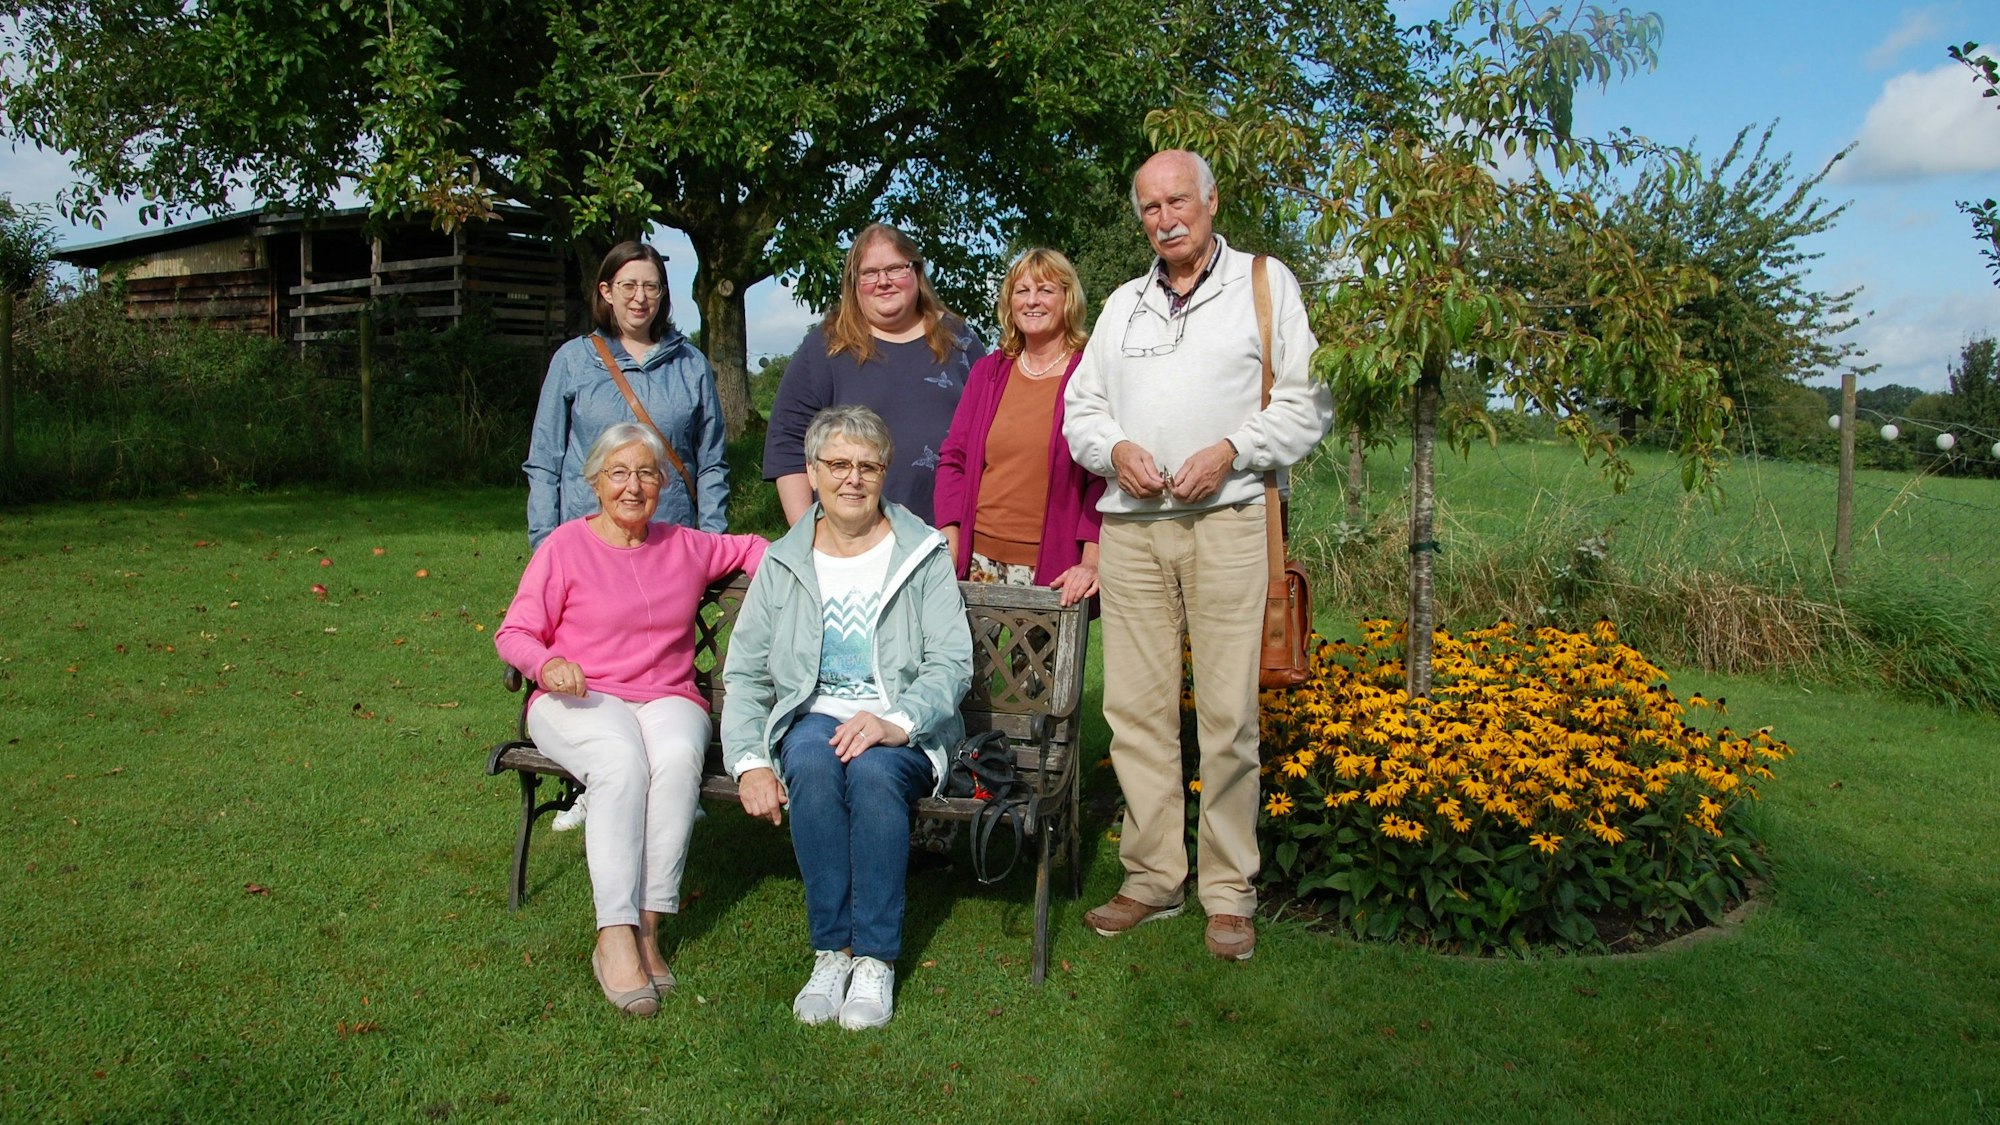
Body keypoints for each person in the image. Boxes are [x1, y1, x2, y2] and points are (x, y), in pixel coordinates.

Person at [1062, 149, 1334, 962]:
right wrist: (1115, 450)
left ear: (1211, 201)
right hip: (1134, 529)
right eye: (1149, 207)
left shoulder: (1262, 283)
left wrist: (1232, 448)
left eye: (1178, 200)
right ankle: (1150, 878)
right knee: (1135, 712)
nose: (1164, 218)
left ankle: (1228, 891)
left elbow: (1307, 400)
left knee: (1226, 713)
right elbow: (1082, 412)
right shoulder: (1121, 305)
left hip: (1229, 517)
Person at [495, 423, 768, 1016]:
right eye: (618, 472)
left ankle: (649, 927)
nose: (633, 486)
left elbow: (753, 549)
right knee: (620, 763)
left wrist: (823, 560)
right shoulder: (565, 547)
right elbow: (513, 633)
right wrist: (548, 663)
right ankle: (612, 934)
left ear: (664, 483)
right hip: (580, 696)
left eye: (647, 472)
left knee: (673, 758)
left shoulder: (684, 544)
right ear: (595, 482)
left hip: (666, 695)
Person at [723, 405, 972, 1030]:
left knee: (873, 775)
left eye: (867, 465)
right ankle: (832, 951)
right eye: (837, 464)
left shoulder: (922, 554)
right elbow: (747, 676)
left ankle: (877, 958)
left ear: (884, 472)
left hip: (902, 725)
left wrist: (899, 721)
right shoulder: (783, 562)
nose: (852, 479)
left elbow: (950, 661)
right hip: (814, 716)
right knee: (808, 758)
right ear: (812, 471)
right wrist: (752, 762)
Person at [524, 240, 730, 833]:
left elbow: (712, 462)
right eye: (629, 285)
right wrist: (546, 541)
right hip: (584, 548)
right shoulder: (573, 361)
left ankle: (669, 779)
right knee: (592, 665)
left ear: (664, 295)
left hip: (667, 550)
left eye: (653, 286)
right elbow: (544, 459)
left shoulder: (689, 365)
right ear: (606, 292)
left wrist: (708, 539)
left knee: (658, 667)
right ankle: (597, 782)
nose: (641, 297)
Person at [762, 223, 984, 527]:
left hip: (950, 536)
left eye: (895, 269)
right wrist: (806, 534)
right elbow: (786, 442)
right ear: (854, 283)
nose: (883, 282)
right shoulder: (826, 345)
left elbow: (993, 433)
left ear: (916, 272)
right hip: (852, 540)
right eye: (869, 273)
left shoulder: (960, 340)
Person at [933, 248, 1103, 605]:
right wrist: (950, 538)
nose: (1032, 301)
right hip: (977, 562)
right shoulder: (988, 373)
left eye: (1045, 290)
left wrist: (1092, 561)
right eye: (1022, 291)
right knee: (968, 663)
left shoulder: (1090, 373)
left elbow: (1100, 477)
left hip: (1053, 568)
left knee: (1041, 664)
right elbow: (954, 459)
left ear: (1067, 298)